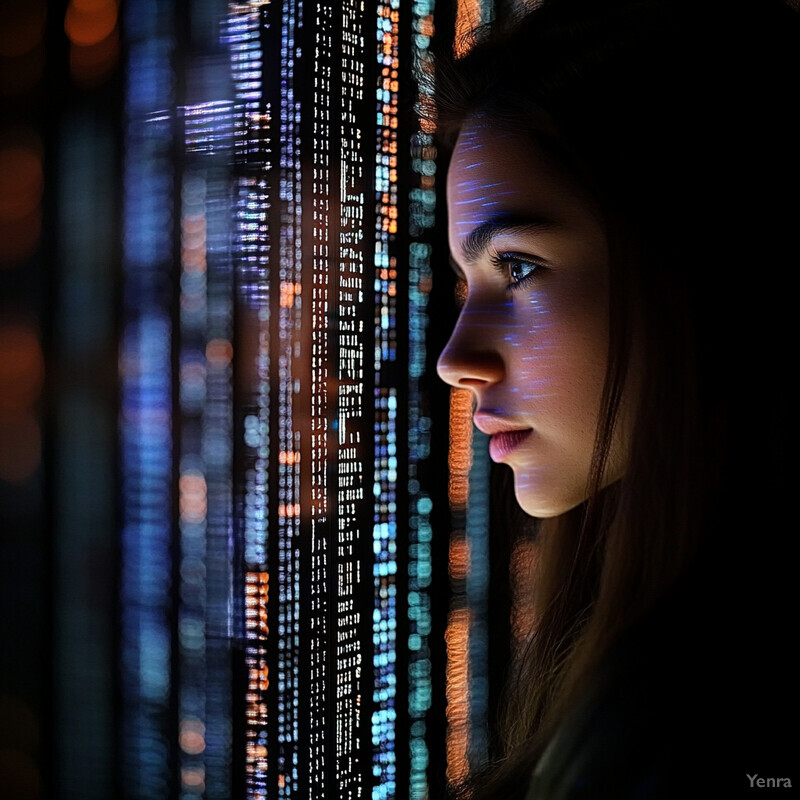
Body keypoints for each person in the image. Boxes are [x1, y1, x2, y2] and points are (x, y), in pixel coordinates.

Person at [433, 0, 799, 797]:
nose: (455, 360)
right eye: (470, 283)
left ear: (704, 264)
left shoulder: (696, 724)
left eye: (520, 267)